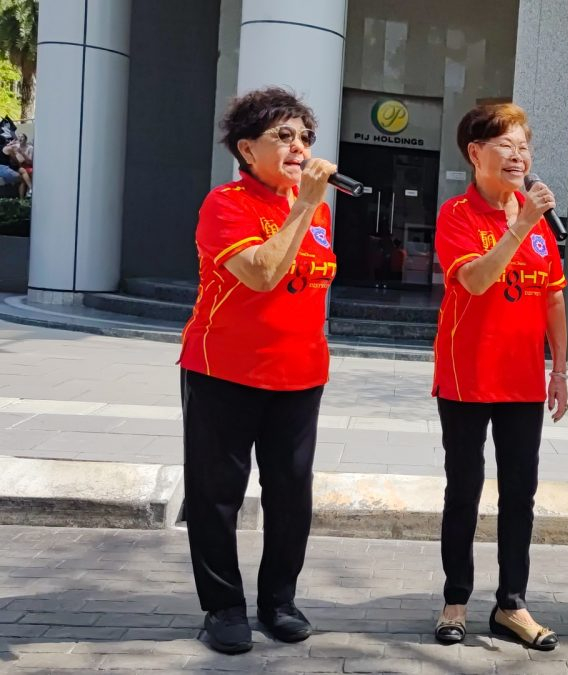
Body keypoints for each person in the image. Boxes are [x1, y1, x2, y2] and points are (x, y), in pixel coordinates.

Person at [178, 87, 337, 654]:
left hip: (300, 373)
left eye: (305, 137)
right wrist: (304, 207)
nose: (299, 147)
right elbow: (263, 274)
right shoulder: (226, 204)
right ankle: (223, 607)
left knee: (292, 493)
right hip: (225, 369)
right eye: (284, 136)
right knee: (217, 493)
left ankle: (278, 601)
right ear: (247, 149)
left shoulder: (314, 211)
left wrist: (306, 207)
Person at [431, 103, 568, 651]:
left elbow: (553, 297)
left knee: (520, 495)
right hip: (466, 376)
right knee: (463, 491)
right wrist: (521, 226)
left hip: (523, 381)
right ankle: (456, 599)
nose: (519, 155)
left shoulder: (536, 223)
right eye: (506, 144)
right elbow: (479, 281)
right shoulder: (456, 215)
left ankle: (512, 603)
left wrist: (560, 368)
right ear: (474, 153)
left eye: (525, 146)